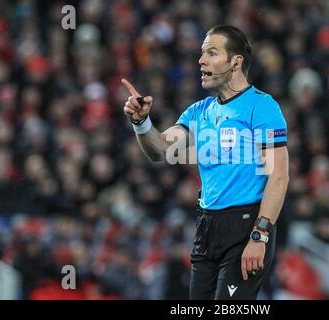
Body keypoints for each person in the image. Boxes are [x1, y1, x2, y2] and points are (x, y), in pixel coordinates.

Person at [122, 25, 289, 300]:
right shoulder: (199, 111)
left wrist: (260, 235)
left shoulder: (262, 107)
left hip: (246, 227)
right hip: (206, 229)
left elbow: (279, 176)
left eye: (212, 53)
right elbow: (160, 150)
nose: (201, 60)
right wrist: (141, 123)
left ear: (235, 62)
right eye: (202, 53)